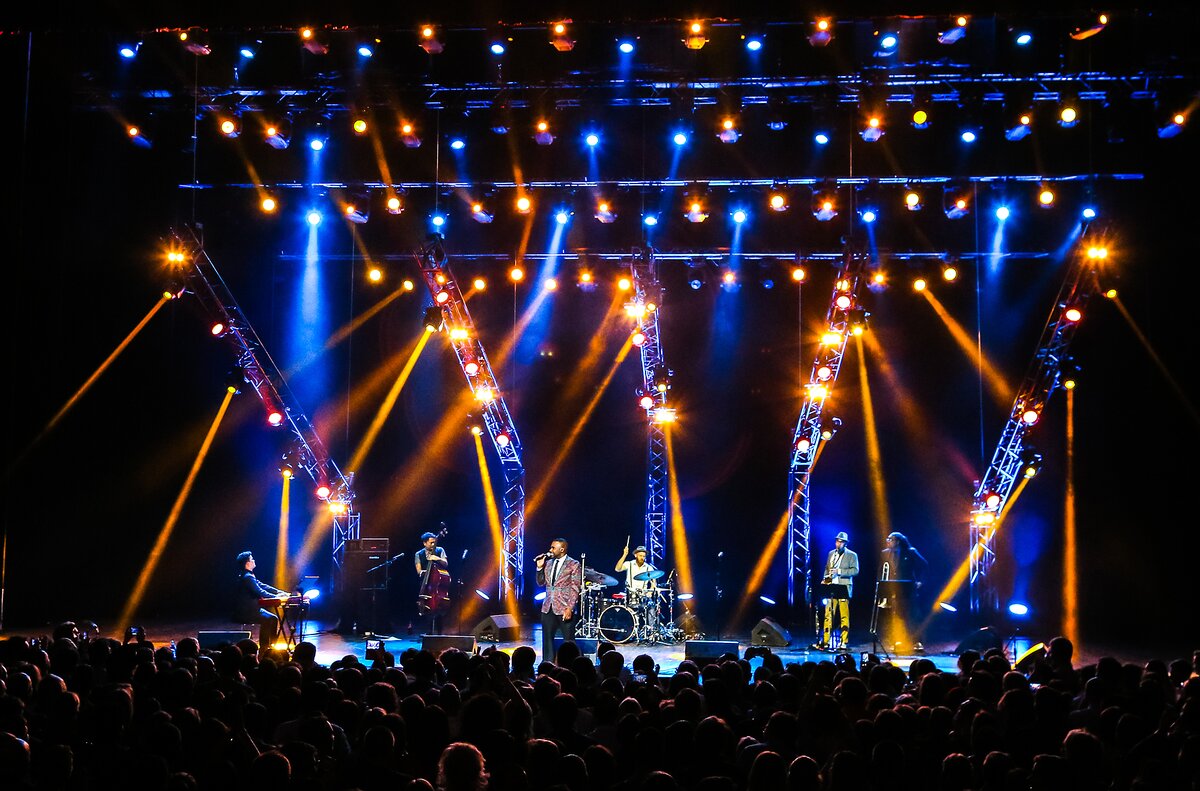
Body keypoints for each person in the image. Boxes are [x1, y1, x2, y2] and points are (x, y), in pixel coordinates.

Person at [878, 531, 928, 652]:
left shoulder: (910, 552)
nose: (888, 541)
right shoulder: (885, 553)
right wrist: (882, 587)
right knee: (897, 615)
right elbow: (881, 570)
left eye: (890, 539)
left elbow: (924, 565)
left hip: (909, 588)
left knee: (913, 616)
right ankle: (898, 640)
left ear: (897, 541)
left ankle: (917, 641)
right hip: (894, 589)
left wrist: (921, 581)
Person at [536, 538, 582, 661]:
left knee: (568, 641)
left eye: (553, 548)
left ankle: (570, 665)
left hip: (564, 607)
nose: (550, 550)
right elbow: (541, 583)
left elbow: (575, 587)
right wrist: (539, 568)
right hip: (548, 607)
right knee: (547, 640)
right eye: (551, 547)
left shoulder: (573, 564)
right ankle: (547, 664)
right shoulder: (548, 563)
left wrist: (570, 608)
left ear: (562, 549)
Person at [816, 531, 859, 651]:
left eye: (841, 542)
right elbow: (827, 568)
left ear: (845, 543)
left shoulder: (852, 555)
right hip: (831, 587)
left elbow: (855, 571)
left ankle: (843, 641)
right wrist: (825, 579)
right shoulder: (831, 553)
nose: (838, 544)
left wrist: (839, 571)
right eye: (837, 541)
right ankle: (826, 640)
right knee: (828, 615)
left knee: (844, 616)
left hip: (843, 588)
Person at [233, 551, 286, 647]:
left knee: (273, 618)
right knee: (267, 620)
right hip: (247, 612)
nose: (254, 560)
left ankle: (272, 645)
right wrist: (276, 597)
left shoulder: (248, 575)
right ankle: (264, 647)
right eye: (252, 559)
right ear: (247, 563)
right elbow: (260, 591)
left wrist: (279, 592)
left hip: (253, 609)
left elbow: (263, 586)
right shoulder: (247, 577)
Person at [415, 531, 450, 634]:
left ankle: (439, 633)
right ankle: (429, 633)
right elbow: (419, 571)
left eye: (434, 542)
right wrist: (424, 572)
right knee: (427, 609)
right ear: (424, 543)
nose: (433, 544)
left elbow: (446, 564)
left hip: (437, 586)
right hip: (426, 585)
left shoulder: (440, 550)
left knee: (439, 610)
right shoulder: (418, 554)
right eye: (431, 543)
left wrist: (437, 558)